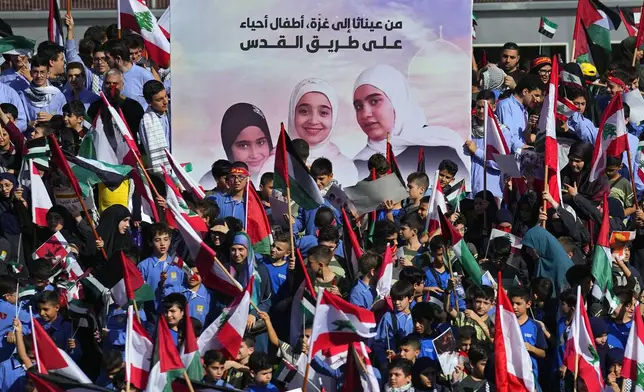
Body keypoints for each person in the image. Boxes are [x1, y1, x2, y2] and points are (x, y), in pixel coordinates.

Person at [351, 64, 468, 182]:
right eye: (358, 106)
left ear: (397, 100)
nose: (365, 114)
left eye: (374, 101)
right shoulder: (359, 163)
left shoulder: (441, 145)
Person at [287, 78, 358, 186]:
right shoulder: (275, 163)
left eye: (323, 113)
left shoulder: (346, 168)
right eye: (304, 111)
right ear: (293, 113)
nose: (313, 121)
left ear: (333, 117)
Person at [221, 103, 274, 181]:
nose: (254, 155)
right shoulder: (212, 181)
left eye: (260, 142)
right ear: (228, 149)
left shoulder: (284, 178)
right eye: (243, 145)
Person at [496, 73, 544, 147]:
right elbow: (510, 139)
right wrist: (530, 150)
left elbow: (522, 138)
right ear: (525, 91)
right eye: (536, 95)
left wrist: (528, 126)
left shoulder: (524, 110)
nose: (538, 100)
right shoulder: (505, 105)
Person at [105, 39, 155, 109]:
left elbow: (157, 101)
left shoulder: (144, 75)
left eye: (107, 58)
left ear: (118, 58)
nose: (105, 61)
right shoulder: (109, 77)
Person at [19, 56, 67, 126]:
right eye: (35, 72)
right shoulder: (24, 96)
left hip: (53, 135)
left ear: (48, 74)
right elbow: (20, 121)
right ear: (31, 73)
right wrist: (30, 124)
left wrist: (53, 119)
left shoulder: (58, 95)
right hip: (33, 135)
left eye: (42, 72)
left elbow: (66, 120)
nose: (39, 76)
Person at [139, 80, 171, 173]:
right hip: (162, 169)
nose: (165, 102)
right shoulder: (146, 122)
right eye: (159, 99)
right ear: (149, 102)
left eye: (165, 96)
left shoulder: (171, 112)